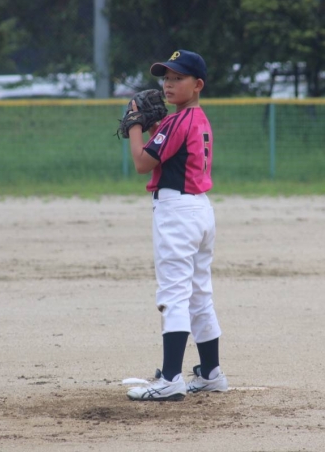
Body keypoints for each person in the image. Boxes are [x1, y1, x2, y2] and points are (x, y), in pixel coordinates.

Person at [125, 49, 228, 401]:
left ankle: (170, 378)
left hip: (177, 212)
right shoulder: (195, 119)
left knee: (174, 294)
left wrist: (135, 126)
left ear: (197, 85)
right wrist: (155, 127)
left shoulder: (178, 121)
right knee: (199, 294)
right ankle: (211, 373)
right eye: (166, 78)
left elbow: (142, 163)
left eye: (178, 78)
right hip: (200, 211)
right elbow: (171, 150)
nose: (168, 84)